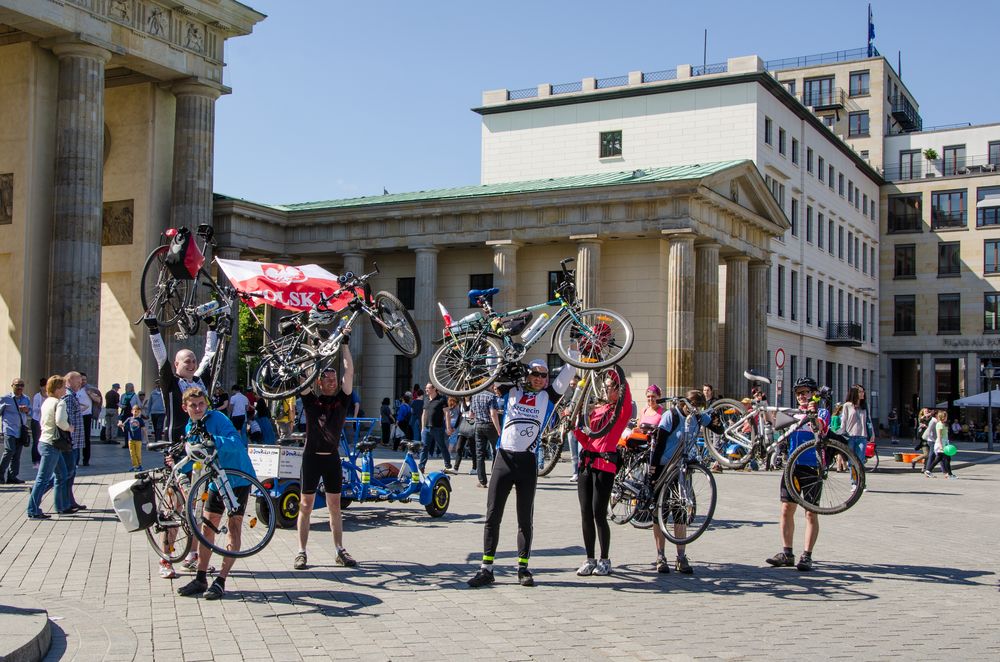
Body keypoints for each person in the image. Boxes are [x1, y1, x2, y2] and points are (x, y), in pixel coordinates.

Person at [468, 358, 574, 588]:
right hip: (503, 459)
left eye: (544, 375)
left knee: (525, 519)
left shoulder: (549, 397)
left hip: (527, 463)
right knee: (492, 515)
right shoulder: (512, 389)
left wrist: (574, 345)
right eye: (534, 373)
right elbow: (493, 368)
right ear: (527, 374)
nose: (539, 378)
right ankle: (486, 568)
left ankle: (523, 568)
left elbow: (568, 371)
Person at [176, 387, 258, 600]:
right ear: (185, 408)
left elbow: (236, 443)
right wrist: (177, 466)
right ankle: (201, 577)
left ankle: (221, 579)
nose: (198, 408)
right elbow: (196, 458)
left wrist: (214, 440)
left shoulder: (218, 418)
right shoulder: (190, 427)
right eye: (193, 405)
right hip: (215, 482)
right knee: (207, 526)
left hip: (238, 478)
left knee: (234, 527)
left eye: (201, 404)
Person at [294, 344, 359, 571]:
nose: (332, 381)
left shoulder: (343, 399)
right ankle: (301, 552)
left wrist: (344, 345)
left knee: (334, 506)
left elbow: (349, 371)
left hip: (332, 458)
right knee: (305, 505)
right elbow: (302, 376)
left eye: (334, 378)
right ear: (319, 382)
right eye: (327, 378)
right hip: (311, 458)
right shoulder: (311, 400)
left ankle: (340, 550)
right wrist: (311, 352)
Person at [766, 377, 828, 572]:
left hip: (813, 466)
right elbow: (775, 425)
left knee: (811, 512)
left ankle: (807, 555)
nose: (802, 396)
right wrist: (764, 406)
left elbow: (820, 429)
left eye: (806, 392)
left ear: (814, 394)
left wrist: (813, 413)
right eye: (799, 393)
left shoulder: (822, 412)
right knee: (786, 509)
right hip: (792, 465)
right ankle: (787, 553)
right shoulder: (792, 413)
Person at [574, 371, 631, 576]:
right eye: (605, 386)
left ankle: (605, 559)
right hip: (586, 463)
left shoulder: (621, 411)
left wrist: (611, 368)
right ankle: (590, 559)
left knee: (599, 513)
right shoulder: (598, 409)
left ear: (618, 390)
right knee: (585, 513)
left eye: (610, 386)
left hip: (605, 466)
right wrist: (574, 428)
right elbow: (588, 439)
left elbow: (626, 390)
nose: (606, 389)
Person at [651, 389, 714, 574]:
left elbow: (717, 428)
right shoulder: (671, 416)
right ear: (684, 403)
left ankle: (680, 556)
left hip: (684, 468)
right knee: (659, 512)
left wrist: (715, 414)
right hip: (664, 467)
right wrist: (652, 472)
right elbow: (659, 443)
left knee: (680, 513)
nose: (694, 410)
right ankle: (660, 556)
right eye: (692, 406)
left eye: (698, 407)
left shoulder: (697, 417)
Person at [145, 314, 221, 444]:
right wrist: (154, 330)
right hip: (177, 438)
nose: (191, 365)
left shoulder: (199, 381)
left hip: (202, 436)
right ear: (176, 364)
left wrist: (211, 328)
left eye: (193, 361)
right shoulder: (171, 383)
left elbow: (209, 355)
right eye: (187, 362)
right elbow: (161, 359)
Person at [26, 375, 73, 519]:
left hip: (45, 442)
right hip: (51, 443)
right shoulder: (60, 403)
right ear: (58, 389)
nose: (65, 389)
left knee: (61, 475)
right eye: (64, 387)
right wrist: (69, 427)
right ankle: (32, 509)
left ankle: (61, 507)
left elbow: (42, 421)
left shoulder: (47, 401)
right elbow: (60, 421)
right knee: (43, 479)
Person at [61, 372, 86, 510]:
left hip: (75, 442)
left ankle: (70, 501)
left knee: (70, 474)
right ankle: (65, 502)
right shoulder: (69, 397)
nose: (80, 384)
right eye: (78, 381)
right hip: (72, 443)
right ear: (69, 381)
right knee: (66, 474)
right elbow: (67, 420)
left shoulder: (73, 395)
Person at [418, 383, 455, 473]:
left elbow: (447, 413)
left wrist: (448, 427)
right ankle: (421, 467)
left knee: (442, 446)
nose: (426, 390)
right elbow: (424, 413)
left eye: (428, 388)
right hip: (426, 428)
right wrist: (422, 428)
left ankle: (448, 466)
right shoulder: (426, 399)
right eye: (426, 388)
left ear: (434, 389)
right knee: (424, 448)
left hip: (438, 428)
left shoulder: (442, 399)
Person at [0, 378, 30, 484]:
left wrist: (27, 410)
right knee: (9, 451)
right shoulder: (5, 399)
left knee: (17, 455)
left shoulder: (26, 398)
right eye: (17, 385)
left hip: (20, 430)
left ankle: (12, 476)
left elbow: (29, 412)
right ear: (12, 385)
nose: (20, 387)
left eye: (22, 385)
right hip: (9, 429)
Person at [469, 387, 500, 488]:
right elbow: (493, 414)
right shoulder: (491, 396)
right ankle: (495, 478)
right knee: (496, 452)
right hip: (490, 426)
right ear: (490, 386)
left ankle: (482, 481)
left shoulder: (474, 396)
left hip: (478, 426)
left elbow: (471, 414)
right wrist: (498, 429)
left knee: (480, 454)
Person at [840, 385, 873, 467]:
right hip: (850, 436)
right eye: (860, 392)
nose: (863, 393)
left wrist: (872, 434)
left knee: (860, 461)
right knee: (851, 461)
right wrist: (841, 434)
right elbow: (843, 420)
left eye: (863, 391)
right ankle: (854, 480)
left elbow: (868, 420)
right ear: (854, 393)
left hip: (862, 436)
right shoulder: (847, 405)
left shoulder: (865, 405)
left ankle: (859, 479)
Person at [926, 410, 957, 479]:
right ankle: (950, 474)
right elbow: (939, 436)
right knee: (947, 459)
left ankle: (928, 471)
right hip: (941, 444)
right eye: (946, 416)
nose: (947, 418)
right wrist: (940, 446)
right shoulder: (939, 424)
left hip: (945, 443)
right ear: (942, 417)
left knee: (938, 459)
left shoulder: (944, 424)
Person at [452, 397, 477, 474]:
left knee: (473, 449)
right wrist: (455, 427)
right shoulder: (461, 403)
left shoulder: (474, 402)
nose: (466, 395)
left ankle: (475, 468)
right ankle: (455, 468)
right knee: (459, 448)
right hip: (462, 427)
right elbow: (460, 416)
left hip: (471, 426)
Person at [120, 404, 146, 471]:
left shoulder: (140, 420)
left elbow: (144, 429)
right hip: (131, 439)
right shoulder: (129, 419)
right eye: (135, 411)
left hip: (138, 440)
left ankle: (139, 465)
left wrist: (146, 439)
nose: (136, 413)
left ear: (139, 412)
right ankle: (135, 466)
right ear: (132, 411)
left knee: (138, 453)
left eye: (137, 411)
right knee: (132, 453)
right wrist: (121, 425)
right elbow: (123, 425)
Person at [31, 378, 46, 467]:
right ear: (40, 387)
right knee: (36, 441)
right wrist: (44, 407)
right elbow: (34, 409)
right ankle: (36, 460)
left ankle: (42, 459)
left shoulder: (49, 396)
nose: (44, 388)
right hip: (37, 420)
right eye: (43, 386)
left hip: (45, 421)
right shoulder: (37, 396)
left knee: (43, 441)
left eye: (46, 386)